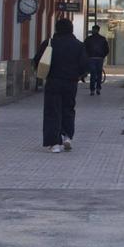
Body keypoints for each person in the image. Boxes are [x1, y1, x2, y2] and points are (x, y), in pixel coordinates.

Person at [32, 17, 87, 153]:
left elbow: (37, 61)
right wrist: (77, 75)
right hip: (71, 83)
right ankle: (67, 136)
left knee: (53, 111)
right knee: (68, 109)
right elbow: (85, 66)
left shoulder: (49, 43)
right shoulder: (78, 45)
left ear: (57, 29)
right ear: (71, 29)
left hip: (53, 82)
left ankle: (54, 143)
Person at [84, 24, 110, 95]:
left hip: (91, 58)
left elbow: (84, 48)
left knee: (93, 74)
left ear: (95, 30)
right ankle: (98, 88)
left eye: (93, 29)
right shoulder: (103, 39)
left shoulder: (88, 39)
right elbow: (107, 50)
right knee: (99, 74)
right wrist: (103, 56)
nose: (92, 31)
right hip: (99, 59)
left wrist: (87, 57)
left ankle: (92, 90)